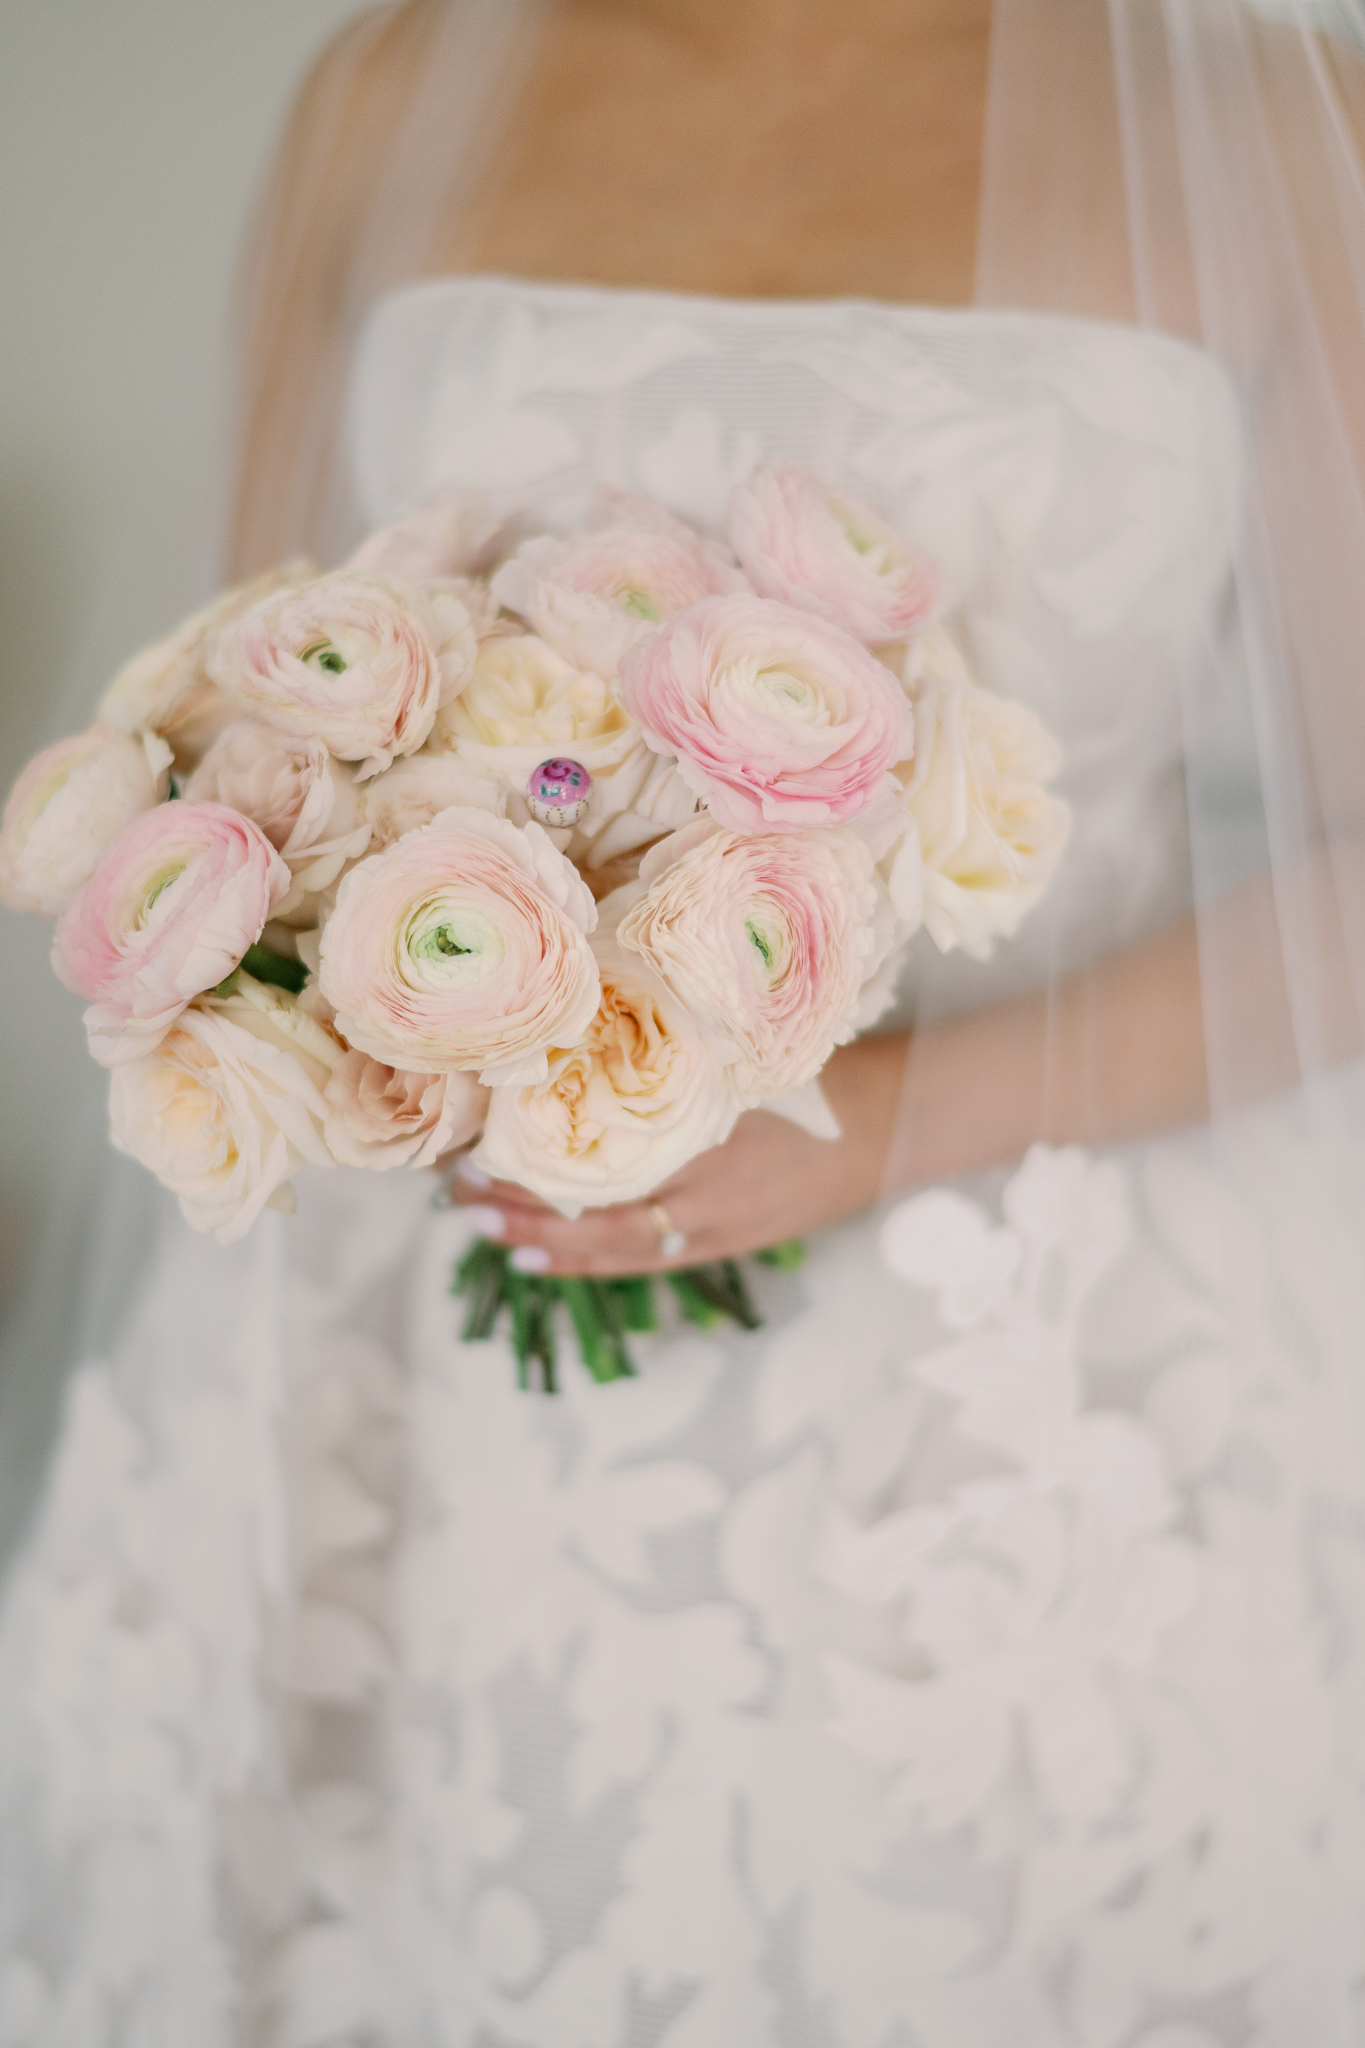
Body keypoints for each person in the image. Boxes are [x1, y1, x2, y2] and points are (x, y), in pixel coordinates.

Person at [2, 2, 1364, 2041]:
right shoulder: (392, 85)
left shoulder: (1269, 109)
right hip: (440, 1340)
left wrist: (908, 1108)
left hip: (1039, 1371)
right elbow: (249, 743)